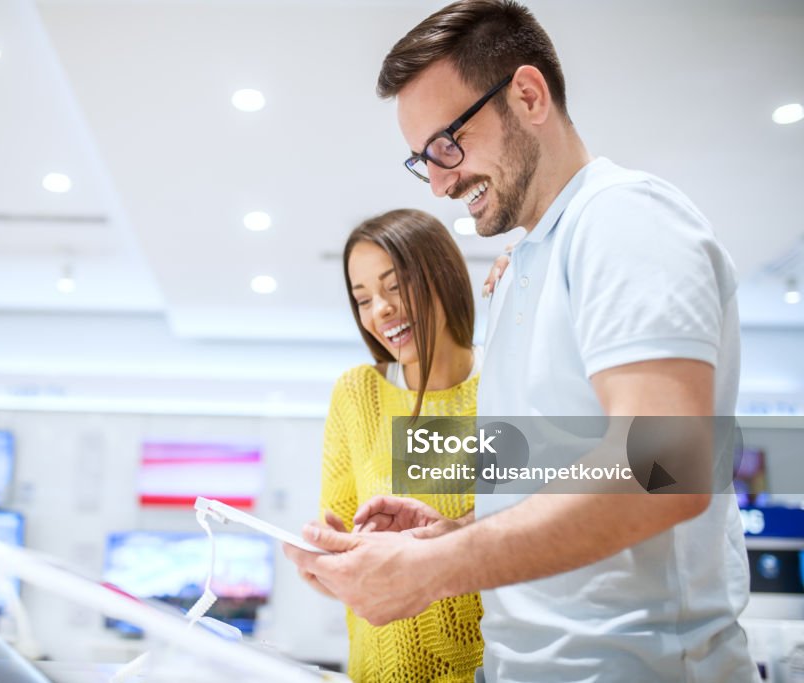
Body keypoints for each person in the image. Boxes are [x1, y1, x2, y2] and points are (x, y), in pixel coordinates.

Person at [283, 1, 758, 682]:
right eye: (424, 160)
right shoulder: (523, 271)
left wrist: (433, 569)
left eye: (447, 144)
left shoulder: (623, 219)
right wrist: (449, 531)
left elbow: (666, 468)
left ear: (528, 95)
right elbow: (562, 479)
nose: (442, 181)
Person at [309, 208, 485, 682]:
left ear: (441, 274)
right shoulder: (358, 394)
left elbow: (540, 524)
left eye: (394, 285)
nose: (380, 310)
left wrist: (451, 537)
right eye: (362, 298)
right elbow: (351, 555)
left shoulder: (501, 386)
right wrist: (323, 562)